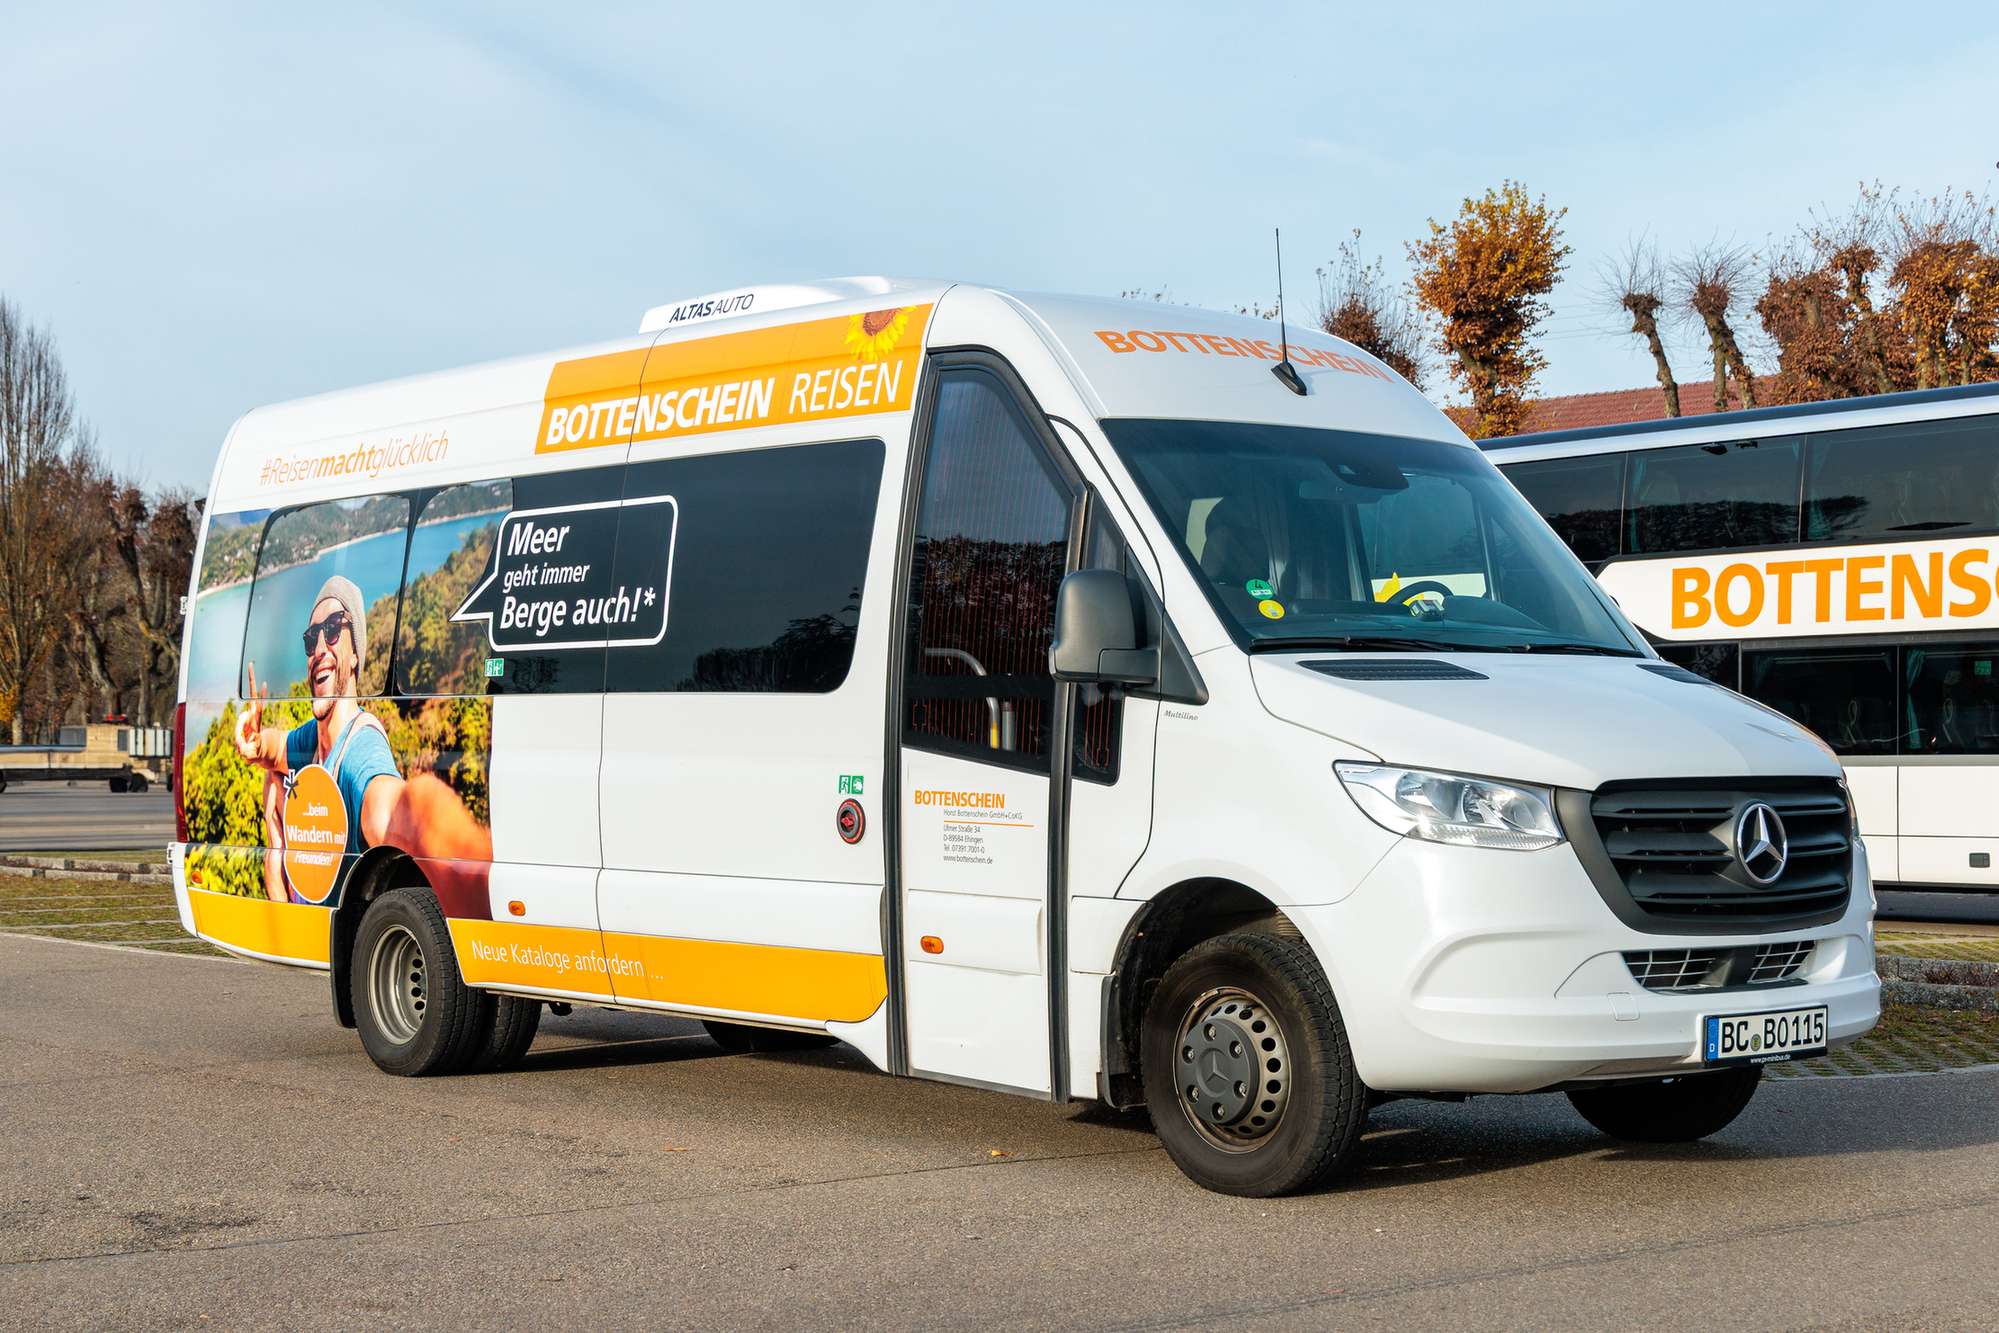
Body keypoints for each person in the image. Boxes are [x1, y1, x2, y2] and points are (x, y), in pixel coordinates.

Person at [235, 575, 492, 905]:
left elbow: (394, 809)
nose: (319, 650)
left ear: (355, 654)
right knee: (273, 777)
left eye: (331, 630)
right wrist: (255, 745)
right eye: (311, 639)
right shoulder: (311, 740)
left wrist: (461, 858)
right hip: (309, 936)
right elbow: (276, 748)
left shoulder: (360, 748)